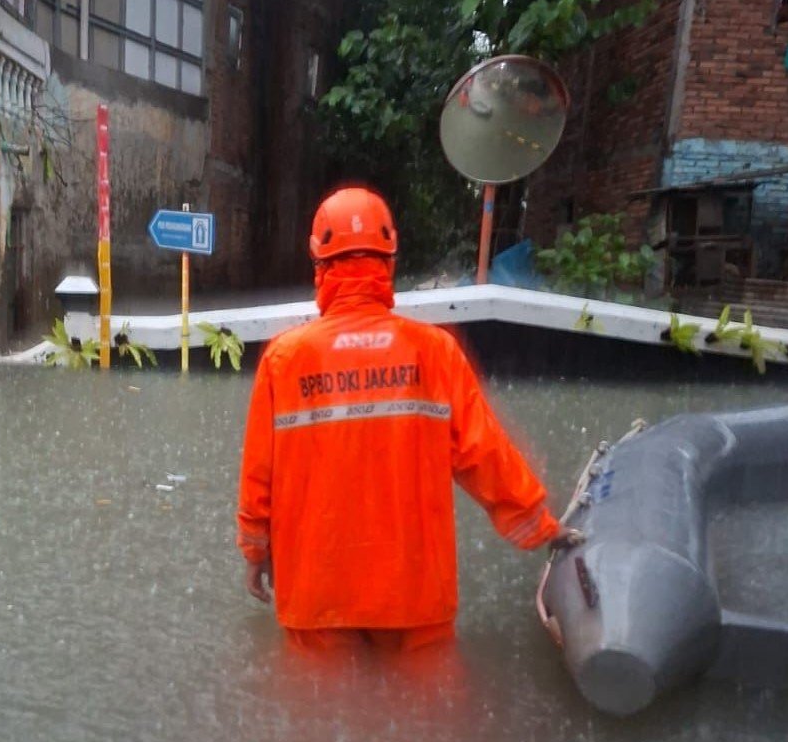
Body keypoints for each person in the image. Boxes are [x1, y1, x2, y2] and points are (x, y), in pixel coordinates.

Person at [236, 186, 576, 653]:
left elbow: (259, 477)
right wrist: (542, 526)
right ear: (390, 261)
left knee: (310, 720)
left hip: (317, 593)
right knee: (428, 718)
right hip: (413, 593)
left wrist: (255, 552)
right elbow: (485, 455)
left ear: (319, 267)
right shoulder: (434, 352)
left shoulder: (284, 359)